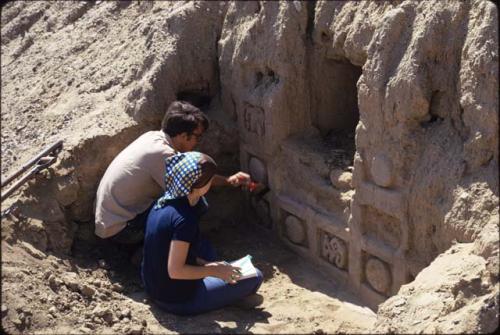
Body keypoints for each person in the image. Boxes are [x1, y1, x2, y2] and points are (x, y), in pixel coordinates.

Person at [94, 100, 250, 243]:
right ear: (183, 136)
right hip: (121, 230)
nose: (198, 142)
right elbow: (194, 186)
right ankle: (156, 255)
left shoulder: (153, 137)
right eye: (198, 137)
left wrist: (228, 180)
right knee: (190, 206)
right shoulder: (163, 154)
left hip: (109, 222)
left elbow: (197, 175)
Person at [142, 151, 263, 315]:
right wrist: (212, 270)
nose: (212, 182)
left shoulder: (164, 202)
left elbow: (170, 252)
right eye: (210, 179)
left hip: (154, 287)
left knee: (207, 252)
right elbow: (175, 271)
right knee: (255, 276)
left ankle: (226, 294)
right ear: (198, 185)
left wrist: (206, 265)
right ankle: (231, 299)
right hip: (177, 300)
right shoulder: (184, 220)